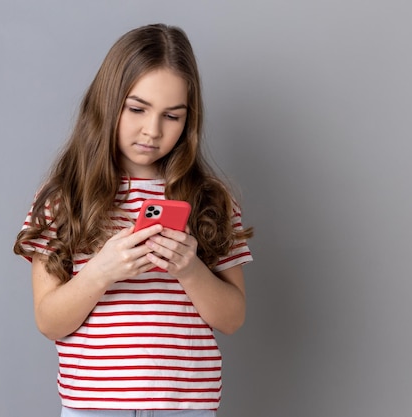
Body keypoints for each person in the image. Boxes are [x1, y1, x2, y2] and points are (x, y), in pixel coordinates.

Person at [14, 23, 254, 417]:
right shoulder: (63, 198)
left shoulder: (210, 199)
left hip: (186, 406)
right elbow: (49, 322)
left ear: (188, 120)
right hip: (94, 405)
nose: (152, 131)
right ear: (108, 101)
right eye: (137, 108)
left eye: (172, 116)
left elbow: (232, 318)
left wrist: (190, 269)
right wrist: (101, 272)